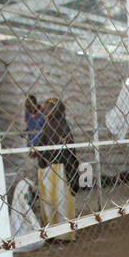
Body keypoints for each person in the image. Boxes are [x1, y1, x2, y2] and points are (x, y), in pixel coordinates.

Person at [36, 97, 77, 241]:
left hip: (60, 169)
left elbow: (67, 152)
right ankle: (53, 233)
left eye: (48, 108)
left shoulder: (60, 127)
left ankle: (64, 234)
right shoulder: (49, 126)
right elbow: (44, 145)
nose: (45, 111)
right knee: (49, 201)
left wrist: (43, 153)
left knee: (60, 201)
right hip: (49, 168)